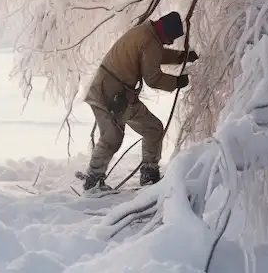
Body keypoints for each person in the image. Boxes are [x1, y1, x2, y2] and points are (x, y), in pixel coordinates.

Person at [80, 11, 198, 190]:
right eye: (172, 38)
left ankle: (94, 178)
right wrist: (177, 82)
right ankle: (148, 175)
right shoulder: (150, 41)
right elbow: (153, 78)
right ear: (166, 32)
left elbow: (156, 54)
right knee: (153, 129)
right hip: (114, 95)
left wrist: (181, 57)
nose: (171, 42)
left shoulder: (145, 32)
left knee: (112, 137)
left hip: (104, 90)